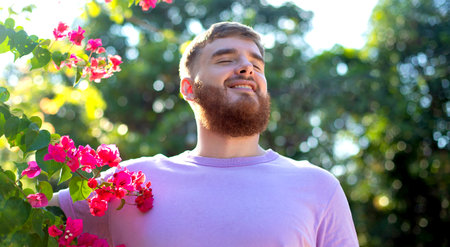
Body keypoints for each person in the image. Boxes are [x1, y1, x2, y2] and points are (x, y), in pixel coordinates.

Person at [51, 22, 359, 247]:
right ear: (188, 88)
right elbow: (19, 217)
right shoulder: (129, 183)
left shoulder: (318, 187)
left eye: (256, 64)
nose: (246, 69)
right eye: (226, 60)